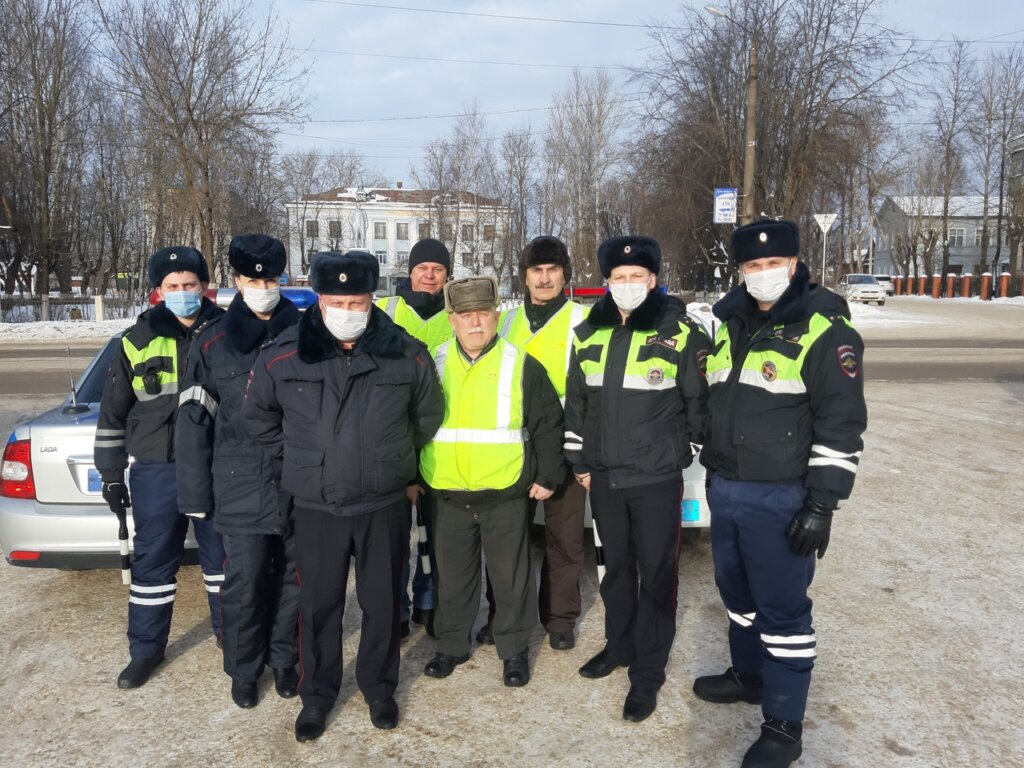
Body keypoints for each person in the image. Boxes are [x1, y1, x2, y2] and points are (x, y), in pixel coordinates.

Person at [242, 250, 444, 743]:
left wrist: (394, 460)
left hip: (382, 504)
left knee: (382, 603)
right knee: (320, 606)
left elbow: (427, 415)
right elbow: (258, 418)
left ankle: (379, 687)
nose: (347, 310)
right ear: (318, 298)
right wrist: (302, 459)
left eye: (356, 300)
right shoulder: (286, 353)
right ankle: (318, 695)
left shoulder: (405, 351)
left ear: (372, 298)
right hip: (317, 507)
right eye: (337, 300)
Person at [693, 220, 867, 768]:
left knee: (784, 613)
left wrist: (822, 504)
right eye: (753, 266)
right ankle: (748, 676)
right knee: (738, 597)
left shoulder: (825, 330)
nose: (763, 274)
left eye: (774, 264)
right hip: (727, 489)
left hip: (782, 497)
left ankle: (784, 727)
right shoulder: (729, 324)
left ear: (794, 264)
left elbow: (841, 424)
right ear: (740, 271)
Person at [563, 235, 710, 723]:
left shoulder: (680, 332)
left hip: (654, 478)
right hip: (604, 476)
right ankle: (619, 646)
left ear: (653, 280)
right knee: (616, 569)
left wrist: (681, 452)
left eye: (637, 277)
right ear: (608, 282)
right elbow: (577, 401)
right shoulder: (588, 332)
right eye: (619, 278)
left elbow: (698, 403)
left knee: (658, 574)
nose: (628, 285)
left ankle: (647, 671)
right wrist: (580, 461)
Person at [175, 234, 302, 709]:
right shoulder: (212, 343)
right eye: (253, 279)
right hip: (238, 484)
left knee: (294, 580)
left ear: (281, 278)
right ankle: (244, 670)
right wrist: (194, 495)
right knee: (245, 584)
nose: (263, 286)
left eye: (270, 278)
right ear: (236, 280)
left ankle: (286, 661)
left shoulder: (307, 334)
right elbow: (193, 423)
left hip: (296, 482)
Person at [419, 276, 564, 688]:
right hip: (447, 492)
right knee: (452, 577)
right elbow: (413, 423)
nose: (476, 323)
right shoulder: (434, 361)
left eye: (483, 313)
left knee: (510, 578)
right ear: (452, 320)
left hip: (504, 493)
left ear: (496, 315)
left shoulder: (521, 364)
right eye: (466, 316)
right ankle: (451, 645)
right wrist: (413, 477)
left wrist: (548, 474)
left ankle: (513, 650)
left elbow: (548, 422)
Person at [95, 246, 225, 689]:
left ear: (204, 286)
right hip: (156, 468)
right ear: (158, 292)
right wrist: (111, 474)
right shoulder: (136, 339)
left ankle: (235, 642)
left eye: (190, 284)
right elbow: (112, 413)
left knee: (224, 561)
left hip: (215, 463)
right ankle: (145, 652)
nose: (183, 292)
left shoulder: (229, 331)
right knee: (153, 564)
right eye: (173, 286)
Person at [485, 236, 587, 651]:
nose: (544, 279)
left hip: (565, 445)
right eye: (536, 271)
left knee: (564, 540)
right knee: (507, 542)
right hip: (514, 448)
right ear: (524, 276)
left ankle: (559, 619)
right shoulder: (506, 322)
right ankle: (503, 618)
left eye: (552, 270)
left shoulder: (585, 321)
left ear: (564, 274)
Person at [375, 237, 453, 638]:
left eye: (437, 269)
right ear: (410, 272)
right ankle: (398, 608)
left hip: (441, 436)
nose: (429, 275)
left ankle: (429, 601)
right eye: (423, 267)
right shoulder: (385, 310)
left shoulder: (455, 314)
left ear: (446, 275)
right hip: (390, 435)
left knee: (435, 530)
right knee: (392, 534)